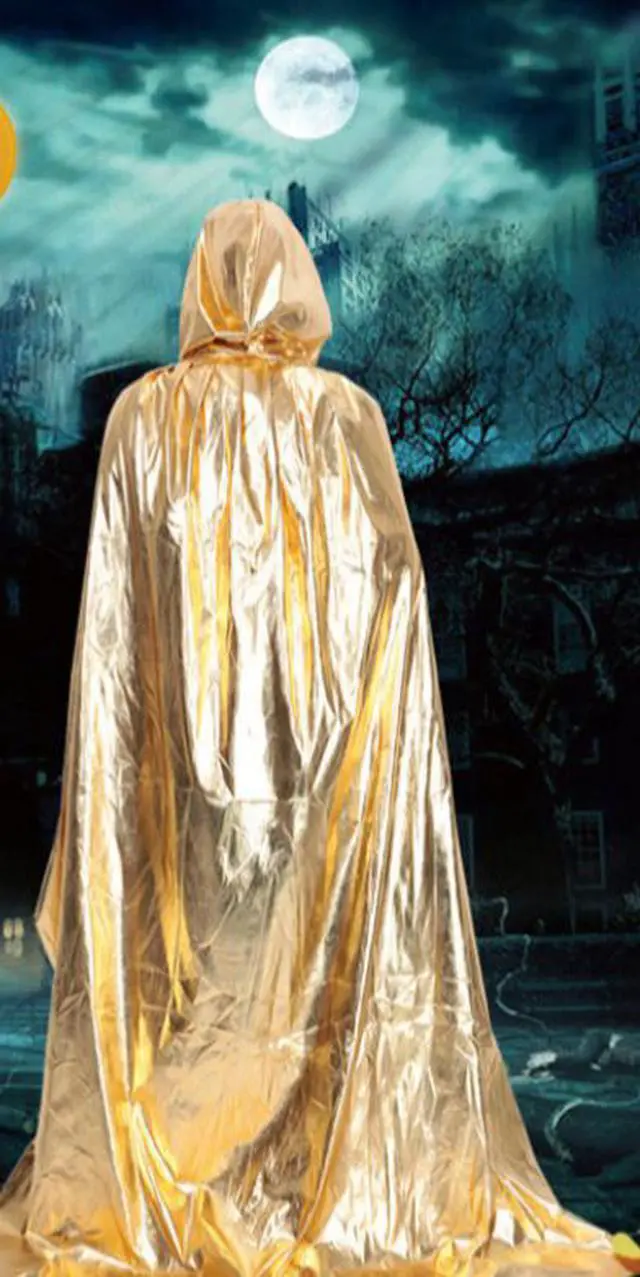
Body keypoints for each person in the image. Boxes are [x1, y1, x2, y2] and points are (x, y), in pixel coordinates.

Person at [0, 199, 626, 1277]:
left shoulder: (147, 416)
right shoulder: (348, 415)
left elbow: (116, 635)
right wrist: (367, 755)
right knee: (322, 976)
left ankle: (196, 1167)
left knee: (201, 982)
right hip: (330, 772)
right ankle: (308, 1177)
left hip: (187, 798)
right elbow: (392, 603)